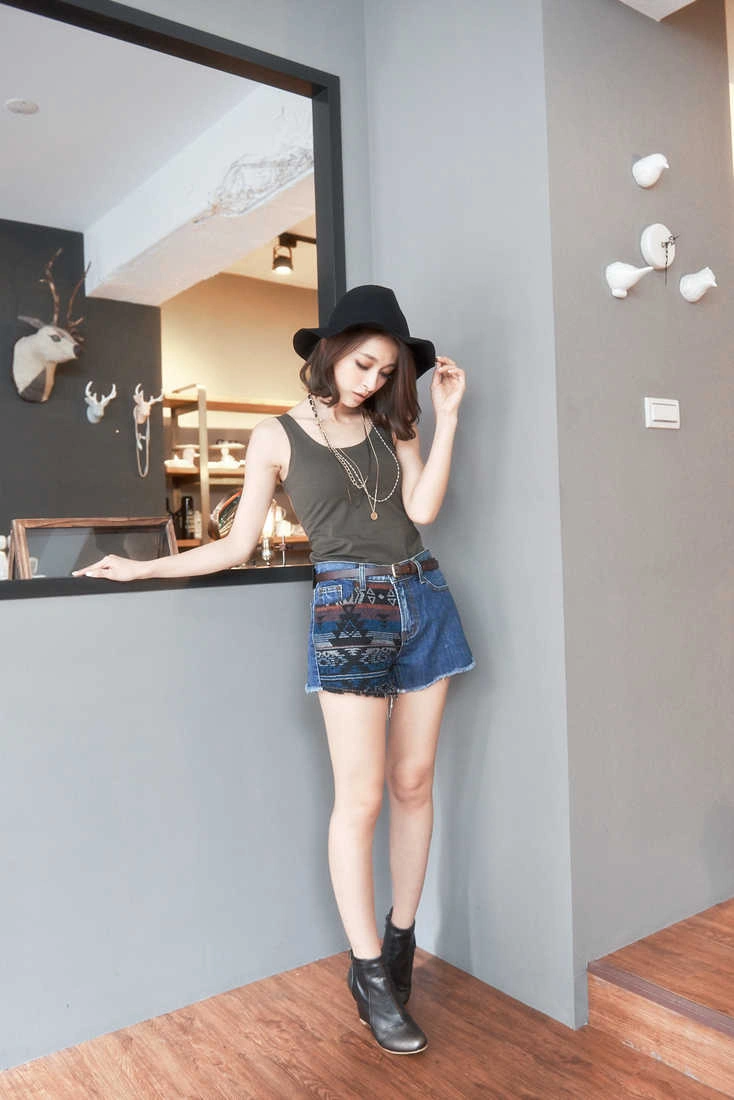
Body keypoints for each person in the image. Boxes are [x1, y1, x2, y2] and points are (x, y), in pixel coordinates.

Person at [76, 285, 474, 1055]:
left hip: (424, 596)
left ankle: (401, 942)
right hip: (349, 609)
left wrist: (446, 416)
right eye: (363, 364)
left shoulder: (393, 422)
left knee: (414, 781)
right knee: (360, 798)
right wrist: (141, 567)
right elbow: (235, 545)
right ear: (332, 351)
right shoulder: (274, 436)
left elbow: (423, 510)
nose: (372, 381)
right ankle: (369, 974)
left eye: (386, 371)